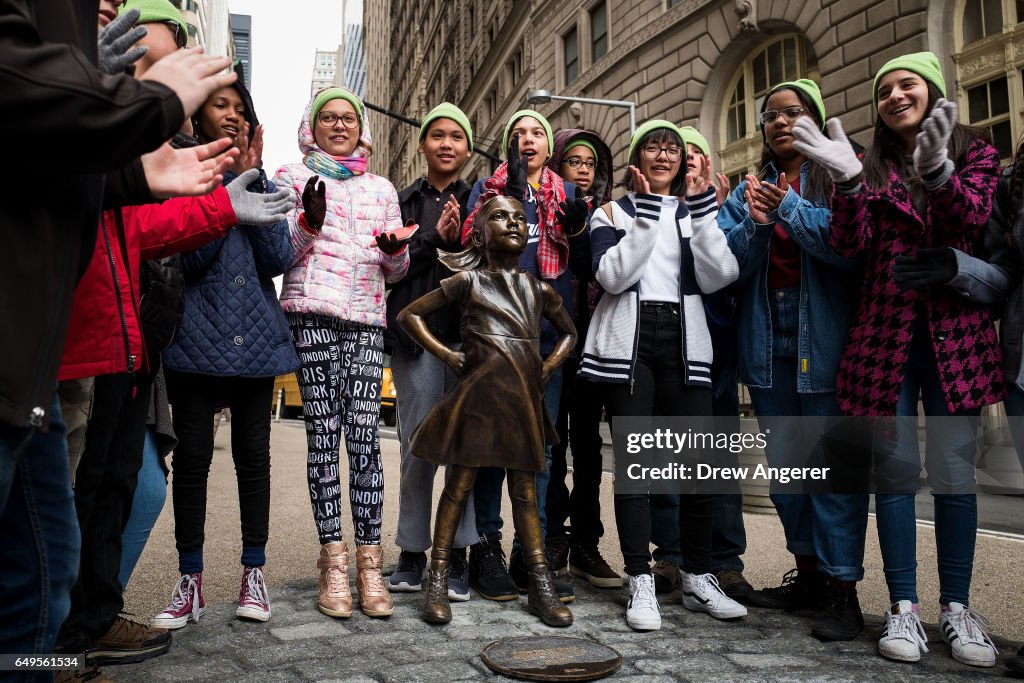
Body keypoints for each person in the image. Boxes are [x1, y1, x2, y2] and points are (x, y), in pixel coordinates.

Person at [0, 0, 239, 662]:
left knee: (50, 567)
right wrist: (135, 120)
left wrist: (136, 175)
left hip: (80, 352)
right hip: (58, 347)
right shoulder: (95, 102)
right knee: (82, 517)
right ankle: (77, 638)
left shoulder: (130, 135)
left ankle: (68, 647)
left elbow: (93, 202)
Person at [793, 52, 1002, 664]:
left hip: (954, 339)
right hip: (883, 341)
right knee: (896, 479)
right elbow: (849, 243)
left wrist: (938, 173)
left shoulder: (977, 152)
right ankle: (904, 609)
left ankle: (957, 611)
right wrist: (852, 183)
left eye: (906, 84)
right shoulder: (870, 164)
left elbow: (972, 220)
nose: (894, 96)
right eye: (884, 90)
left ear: (932, 90)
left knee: (956, 478)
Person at [151, 78, 309, 629]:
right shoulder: (186, 175)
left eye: (242, 109)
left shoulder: (260, 178)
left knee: (254, 463)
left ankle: (253, 573)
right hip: (194, 342)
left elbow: (278, 256)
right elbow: (186, 263)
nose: (234, 116)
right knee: (192, 464)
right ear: (200, 115)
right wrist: (223, 197)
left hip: (256, 347)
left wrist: (256, 179)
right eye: (222, 106)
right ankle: (189, 581)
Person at [716, 80, 870, 624]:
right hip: (764, 336)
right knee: (786, 471)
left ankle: (842, 592)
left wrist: (793, 212)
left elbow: (851, 249)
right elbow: (726, 269)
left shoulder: (839, 175)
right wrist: (757, 226)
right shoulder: (745, 190)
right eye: (771, 115)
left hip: (824, 335)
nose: (780, 122)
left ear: (814, 119)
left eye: (794, 112)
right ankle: (807, 579)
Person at [579, 119, 743, 631]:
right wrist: (648, 217)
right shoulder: (611, 212)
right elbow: (612, 276)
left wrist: (705, 215)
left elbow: (722, 276)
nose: (664, 155)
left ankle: (699, 576)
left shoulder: (696, 214)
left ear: (684, 160)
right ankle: (640, 579)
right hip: (630, 344)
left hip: (685, 340)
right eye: (653, 147)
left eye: (672, 148)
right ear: (637, 160)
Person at [398, 195, 577, 627]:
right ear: (479, 233)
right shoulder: (468, 282)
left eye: (520, 217)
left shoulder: (538, 289)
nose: (513, 223)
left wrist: (546, 367)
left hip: (521, 401)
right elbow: (409, 316)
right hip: (476, 400)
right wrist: (449, 356)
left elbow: (570, 334)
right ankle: (437, 575)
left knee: (526, 494)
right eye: (500, 217)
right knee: (457, 487)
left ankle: (538, 582)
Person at [274, 87, 409, 619]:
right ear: (312, 126)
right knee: (323, 442)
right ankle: (333, 559)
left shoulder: (382, 188)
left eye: (347, 118)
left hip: (365, 322)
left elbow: (394, 273)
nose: (338, 125)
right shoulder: (290, 176)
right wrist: (307, 220)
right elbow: (281, 252)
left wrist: (396, 253)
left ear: (361, 128)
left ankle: (369, 562)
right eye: (327, 117)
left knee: (366, 441)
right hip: (309, 316)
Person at [461, 110, 589, 604]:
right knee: (494, 444)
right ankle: (487, 548)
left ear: (548, 144)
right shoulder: (487, 188)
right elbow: (473, 247)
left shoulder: (567, 193)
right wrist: (505, 195)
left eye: (536, 132)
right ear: (509, 146)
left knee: (540, 448)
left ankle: (526, 552)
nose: (527, 139)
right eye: (519, 133)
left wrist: (576, 231)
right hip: (495, 337)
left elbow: (582, 268)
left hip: (541, 341)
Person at [384, 103, 478, 600]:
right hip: (415, 340)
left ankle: (456, 555)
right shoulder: (398, 201)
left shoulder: (481, 199)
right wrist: (431, 240)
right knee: (417, 446)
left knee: (464, 449)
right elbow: (387, 261)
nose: (446, 144)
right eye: (437, 135)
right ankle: (412, 552)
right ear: (422, 145)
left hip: (470, 342)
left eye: (456, 137)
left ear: (467, 148)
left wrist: (465, 237)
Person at [540, 128, 622, 589]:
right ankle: (553, 537)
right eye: (574, 161)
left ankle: (586, 542)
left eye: (591, 163)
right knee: (553, 442)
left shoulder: (610, 211)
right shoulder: (545, 209)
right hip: (555, 339)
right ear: (558, 165)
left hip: (596, 342)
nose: (585, 169)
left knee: (589, 447)